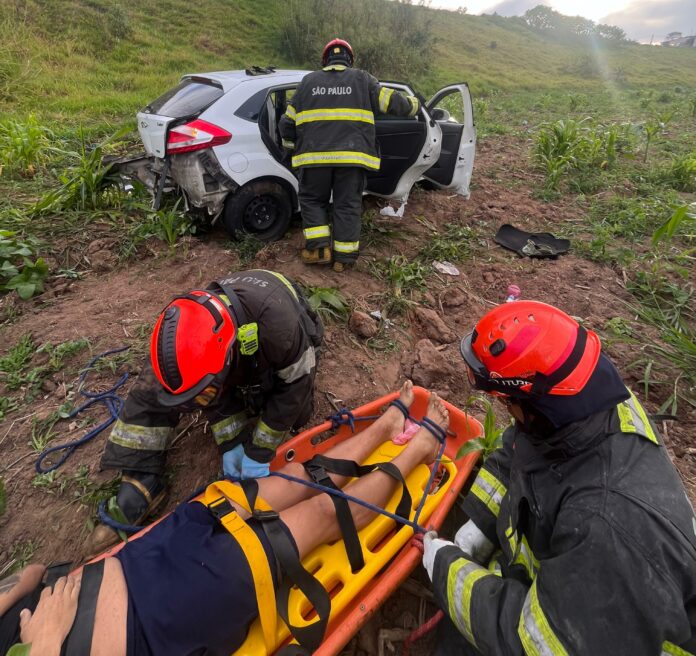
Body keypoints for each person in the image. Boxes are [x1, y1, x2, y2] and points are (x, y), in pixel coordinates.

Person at [1, 383, 449, 656]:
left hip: (147, 558)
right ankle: (418, 450)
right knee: (319, 514)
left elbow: (31, 573)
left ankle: (384, 428)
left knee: (293, 480)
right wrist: (43, 645)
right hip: (161, 620)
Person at [422, 300, 696, 656]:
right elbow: (521, 446)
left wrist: (444, 567)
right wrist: (479, 522)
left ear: (534, 403)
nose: (506, 410)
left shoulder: (606, 526)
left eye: (506, 401)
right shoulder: (581, 403)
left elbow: (536, 642)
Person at [93, 269, 323, 550]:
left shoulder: (280, 330)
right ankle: (140, 477)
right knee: (162, 384)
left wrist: (259, 452)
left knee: (297, 410)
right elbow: (209, 389)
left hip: (286, 304)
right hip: (232, 322)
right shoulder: (184, 329)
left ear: (230, 355)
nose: (197, 407)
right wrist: (232, 441)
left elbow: (297, 385)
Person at [279, 38, 419, 271]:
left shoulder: (307, 82)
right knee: (347, 205)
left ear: (325, 60)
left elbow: (287, 122)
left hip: (313, 159)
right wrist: (414, 105)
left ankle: (319, 249)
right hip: (352, 159)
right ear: (349, 59)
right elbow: (391, 102)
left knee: (313, 201)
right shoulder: (362, 79)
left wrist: (291, 148)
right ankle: (343, 260)